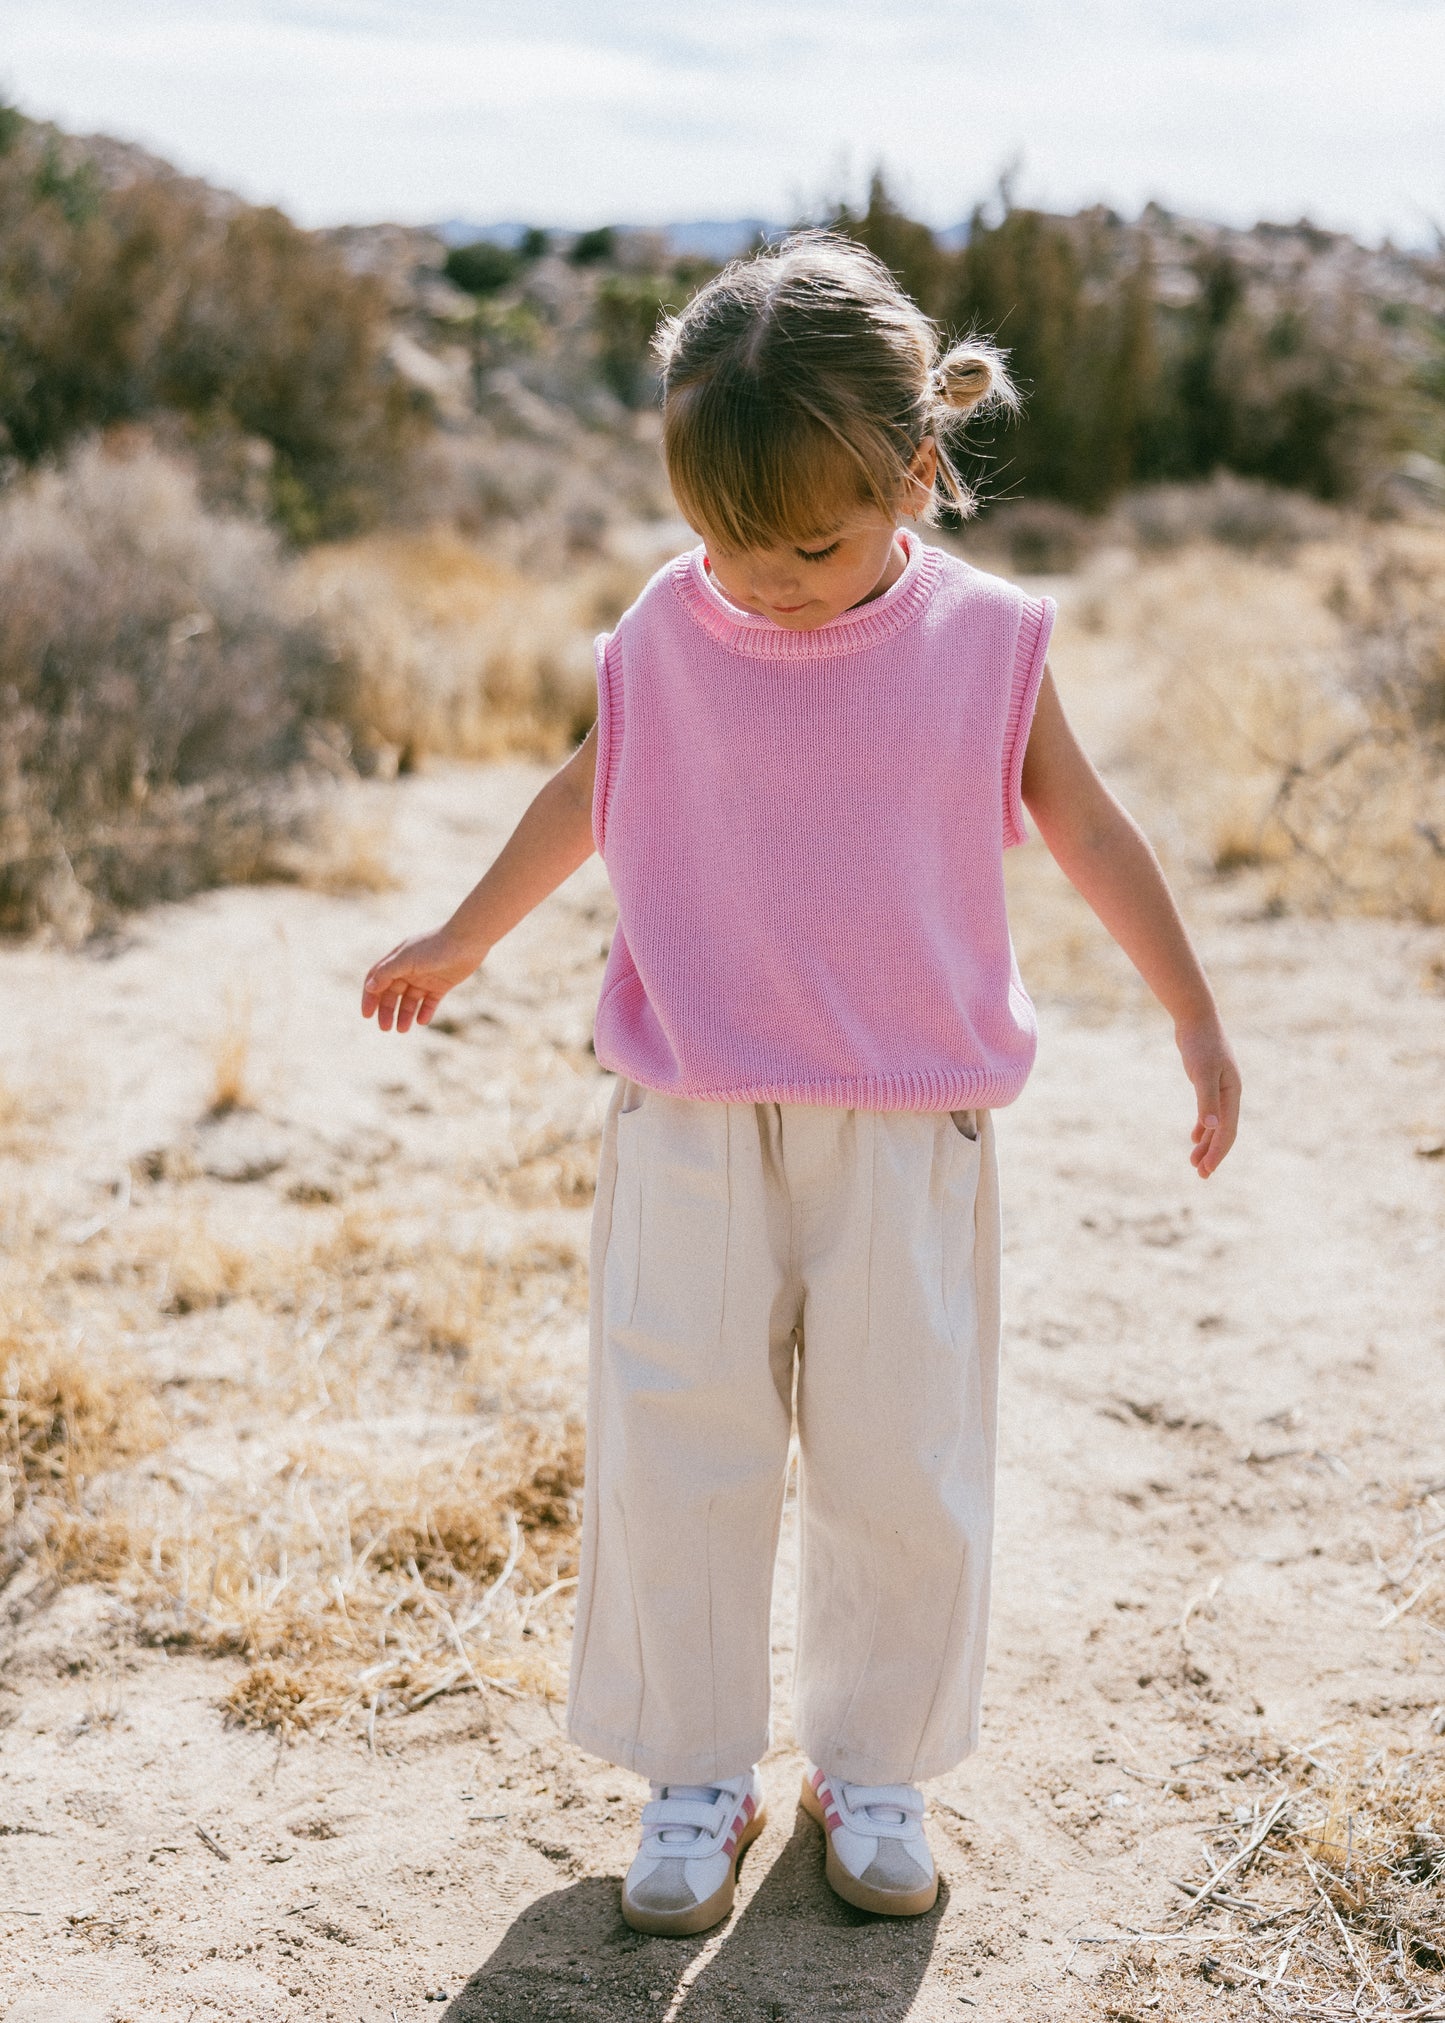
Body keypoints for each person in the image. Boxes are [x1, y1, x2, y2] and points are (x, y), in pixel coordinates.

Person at [361, 232, 1242, 1939]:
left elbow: (1087, 824)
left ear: (916, 467)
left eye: (811, 544)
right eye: (720, 538)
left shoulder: (984, 642)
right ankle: (695, 1766)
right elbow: (591, 789)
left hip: (908, 1127)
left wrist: (1194, 1014)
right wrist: (465, 935)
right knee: (677, 1438)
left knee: (898, 1460)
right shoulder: (669, 629)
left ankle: (873, 1763)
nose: (757, 580)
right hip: (690, 1111)